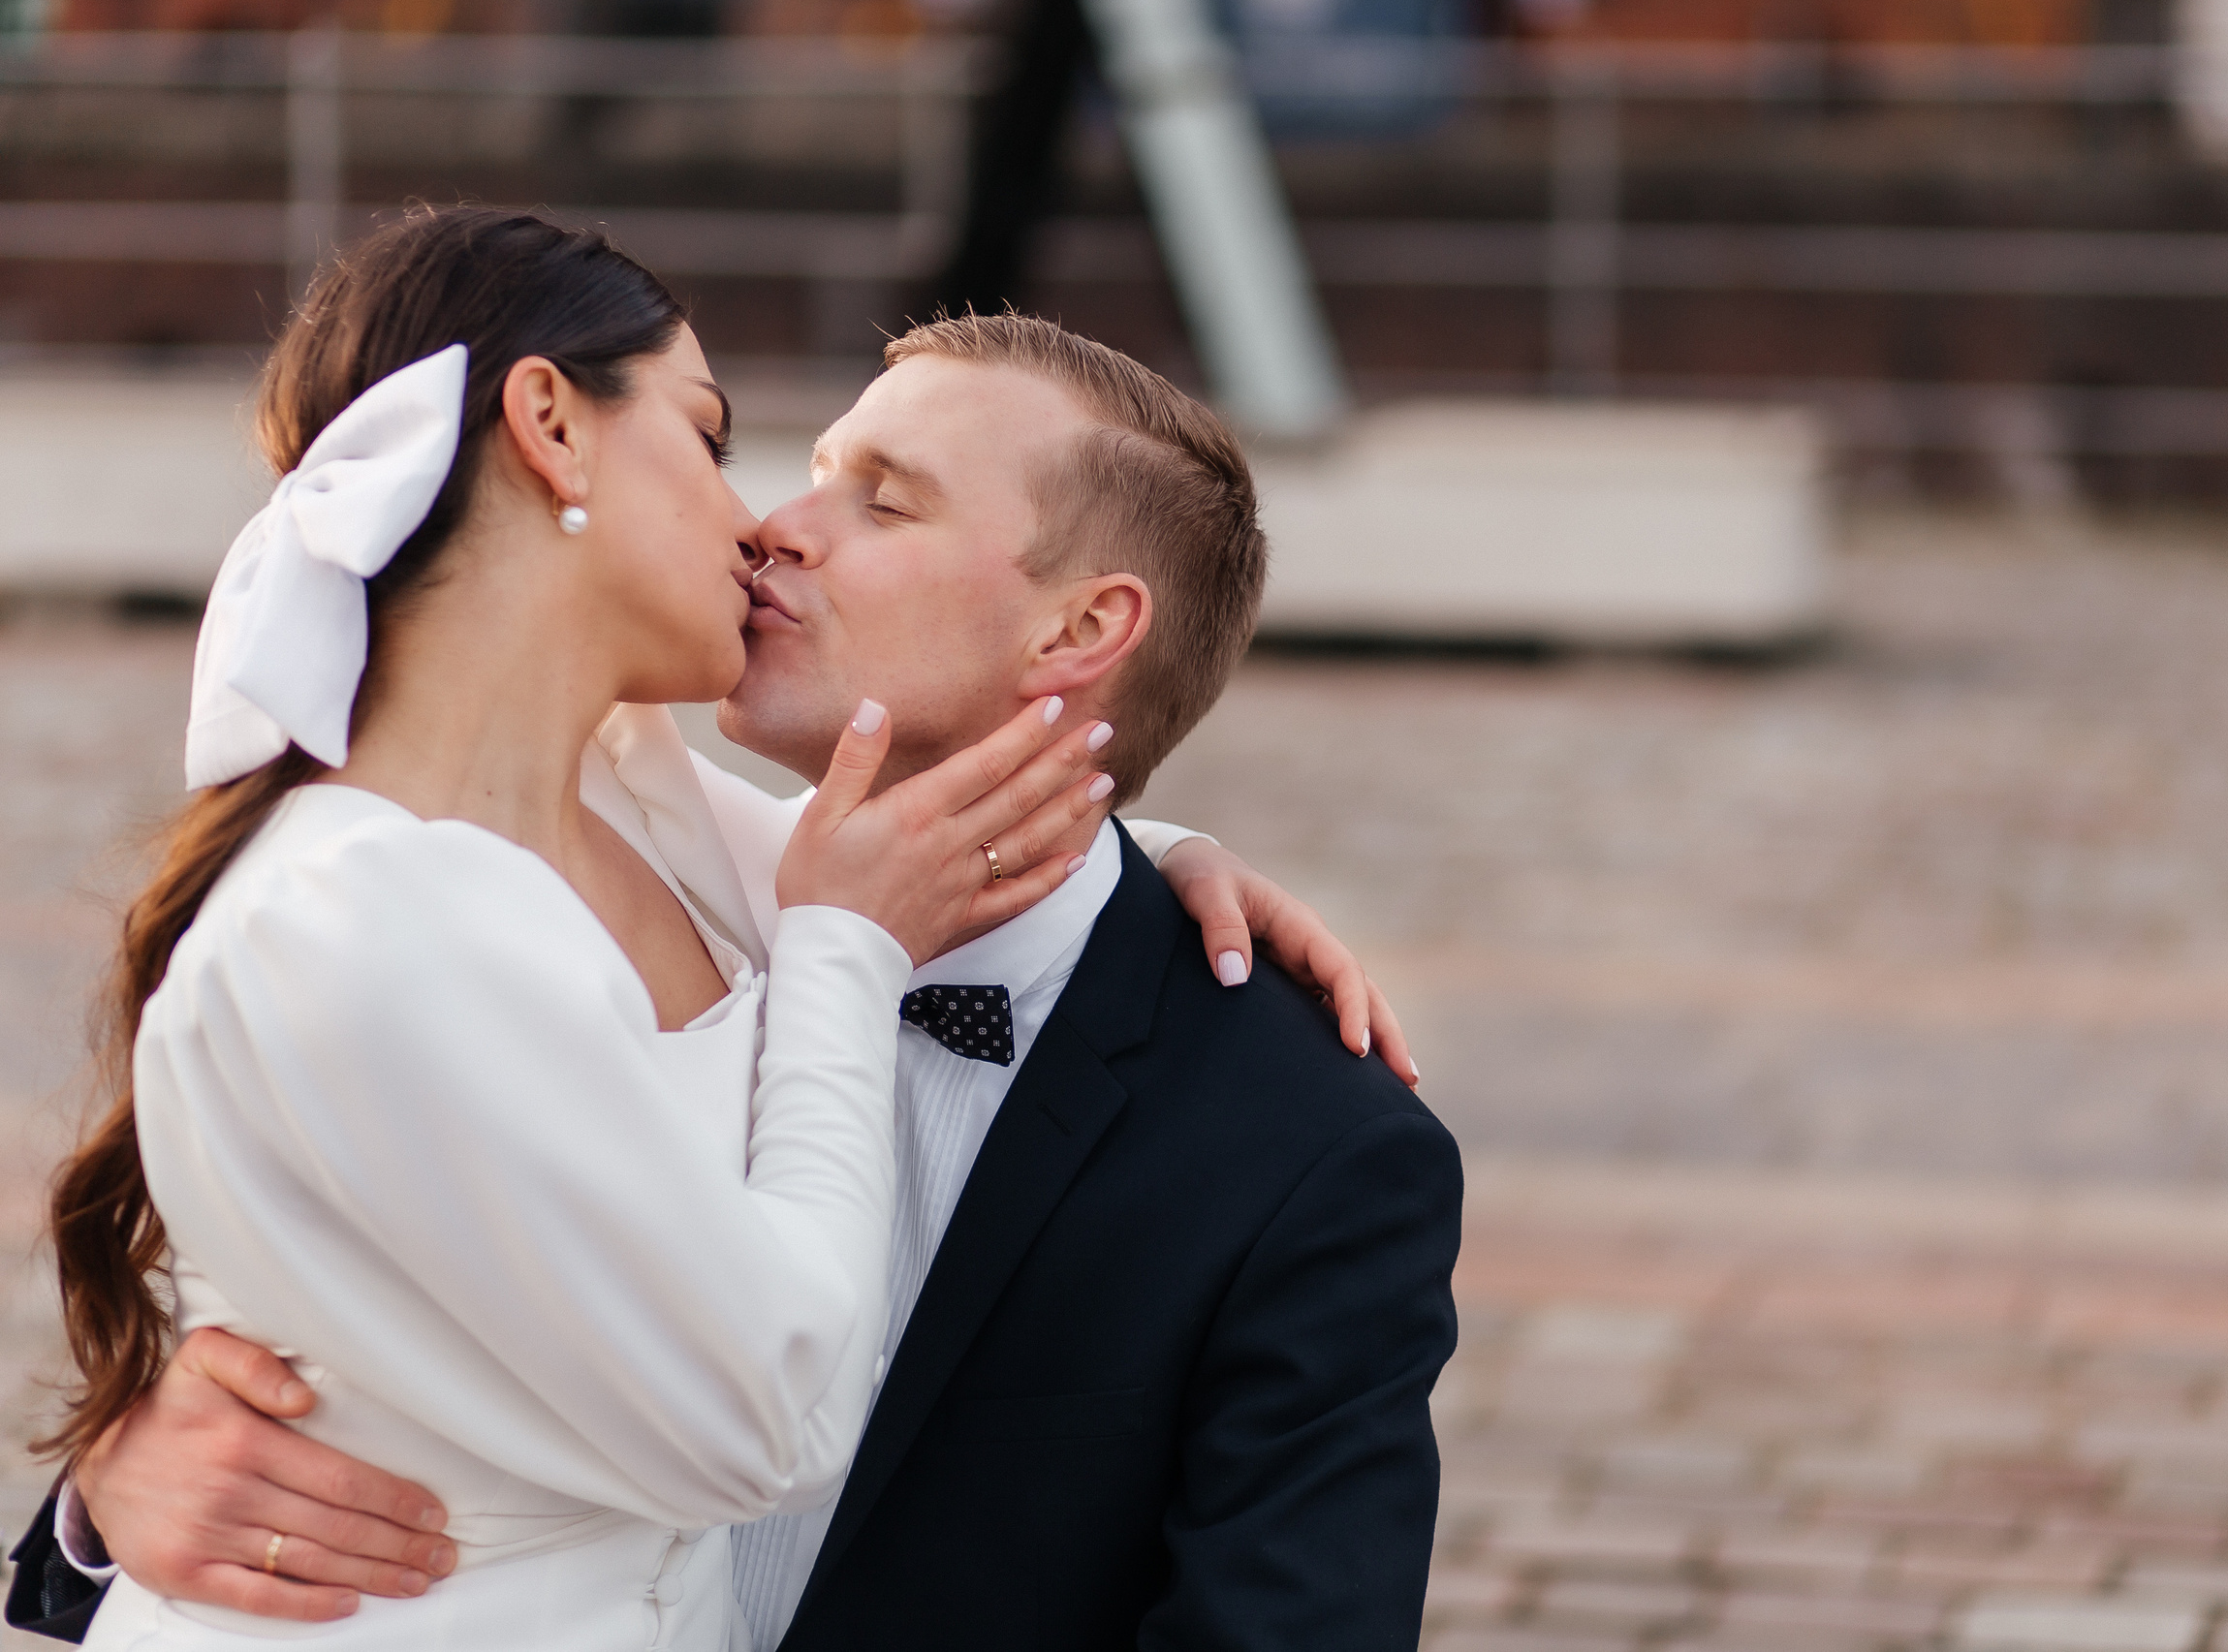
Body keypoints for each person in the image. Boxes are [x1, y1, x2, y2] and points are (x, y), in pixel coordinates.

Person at [5, 215, 1406, 1650]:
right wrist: (110, 1492)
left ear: (1076, 634)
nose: (770, 528)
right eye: (751, 454)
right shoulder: (460, 888)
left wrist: (1150, 856)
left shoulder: (1294, 1144)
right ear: (549, 431)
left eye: (885, 502)